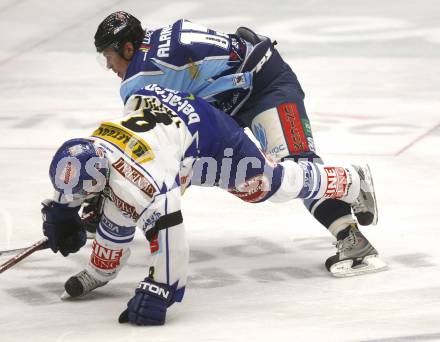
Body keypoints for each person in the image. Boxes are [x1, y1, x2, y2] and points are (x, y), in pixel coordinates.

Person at [42, 85, 382, 325]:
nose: (77, 198)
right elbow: (74, 179)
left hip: (208, 135)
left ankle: (350, 178)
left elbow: (171, 237)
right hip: (166, 118)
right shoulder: (88, 150)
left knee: (267, 185)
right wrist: (61, 211)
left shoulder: (144, 182)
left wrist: (162, 289)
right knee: (118, 211)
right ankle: (101, 272)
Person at [93, 11, 385, 275]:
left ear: (128, 48)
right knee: (205, 169)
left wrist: (109, 198)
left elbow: (142, 147)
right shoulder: (156, 39)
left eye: (108, 55)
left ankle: (350, 219)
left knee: (297, 168)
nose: (108, 65)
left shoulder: (139, 79)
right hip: (224, 102)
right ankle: (350, 218)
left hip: (266, 87)